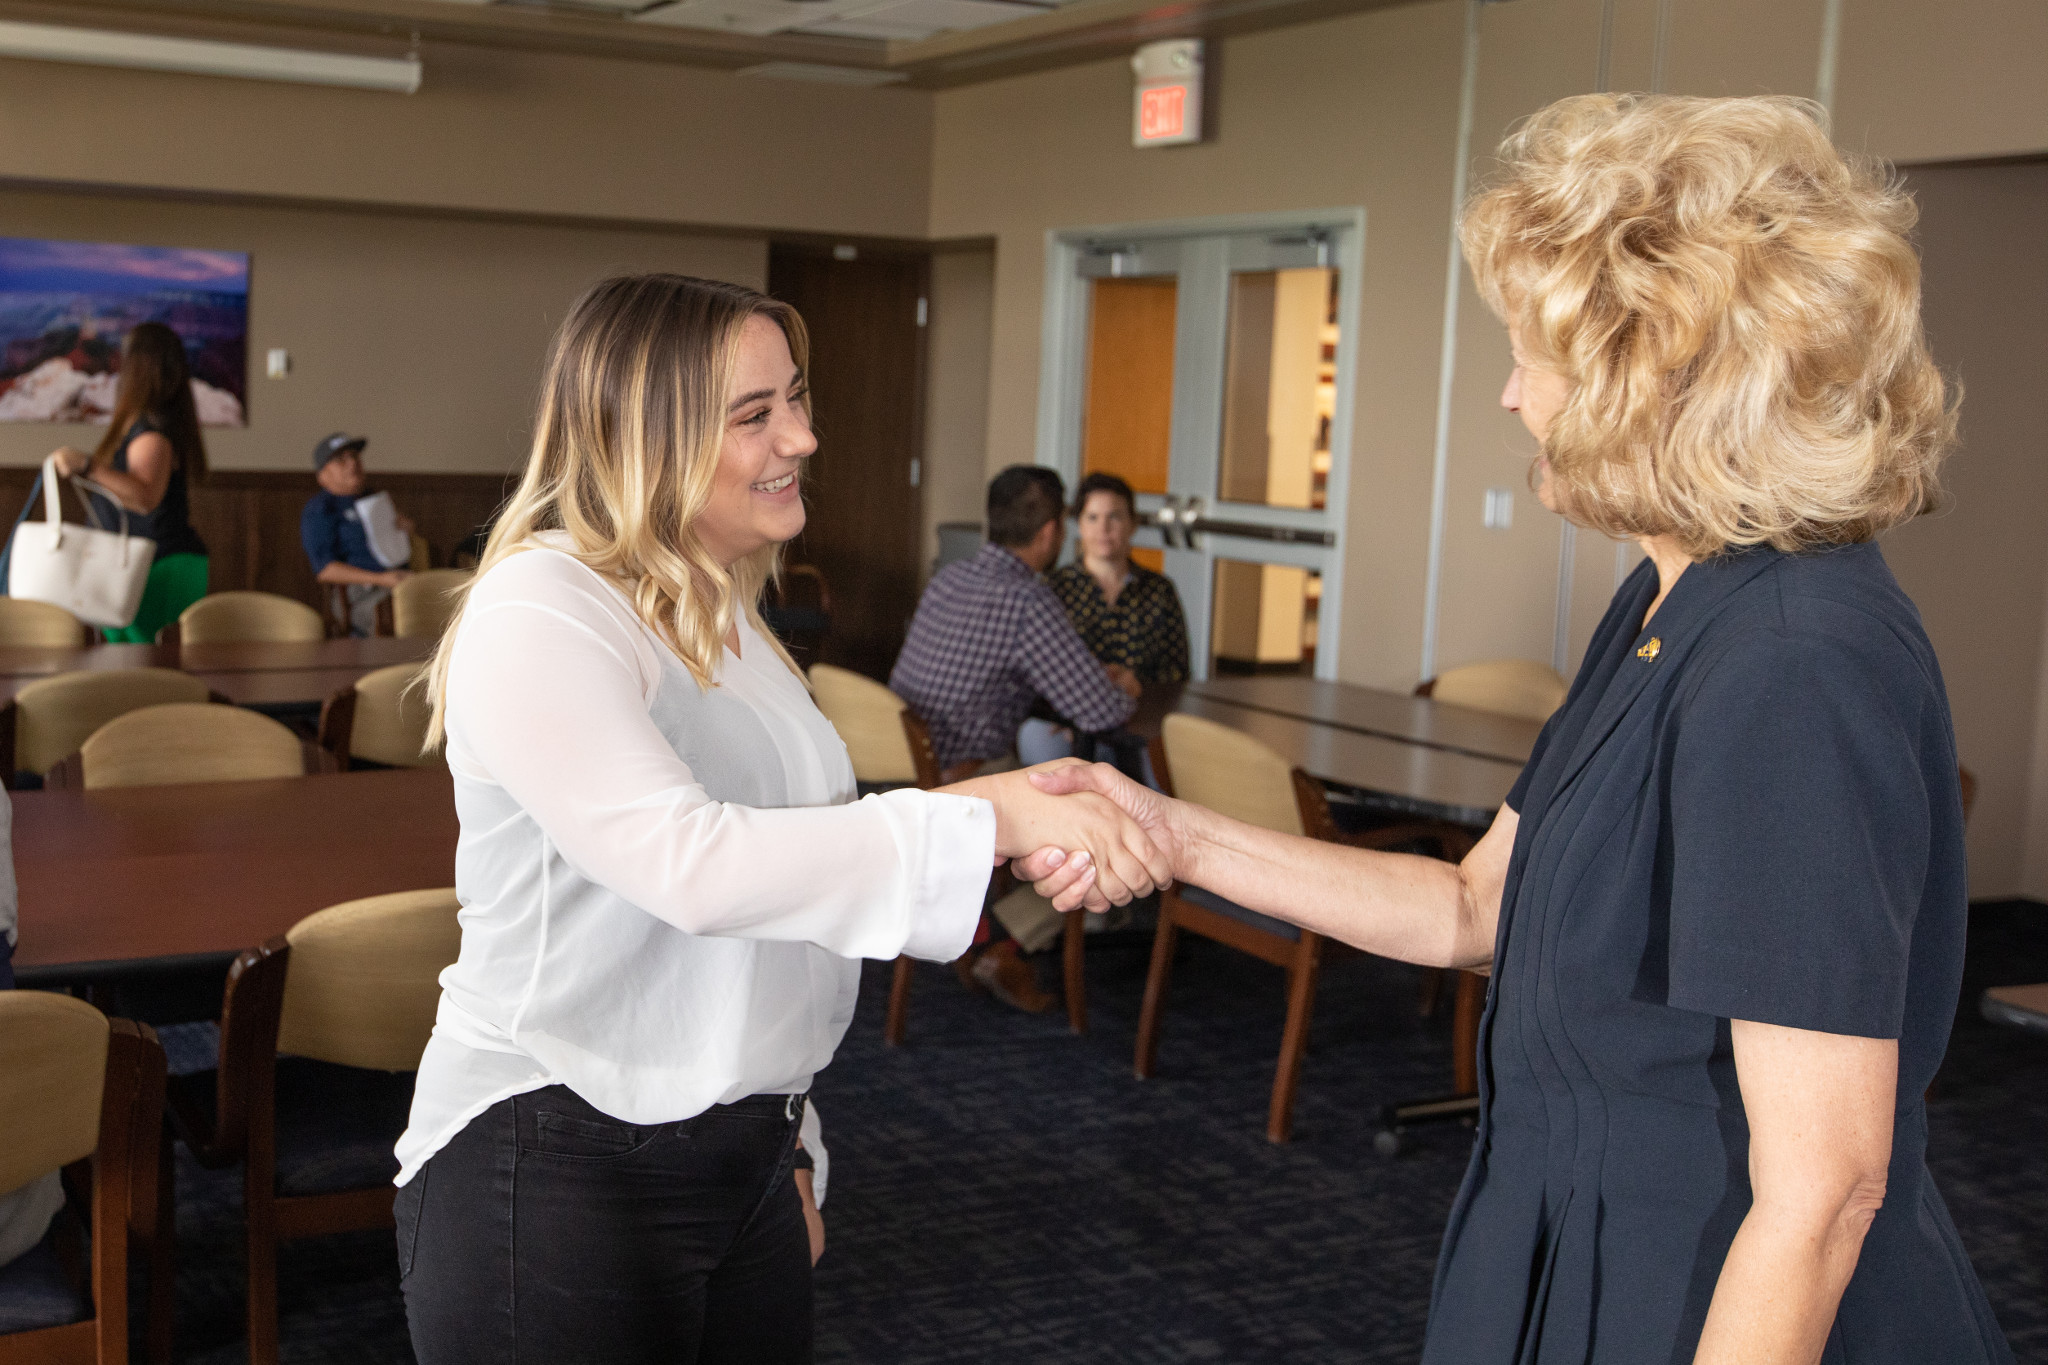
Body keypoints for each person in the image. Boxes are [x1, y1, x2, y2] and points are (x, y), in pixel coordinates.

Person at [1022, 95, 2013, 1364]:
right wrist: (1169, 834)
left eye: (1531, 355)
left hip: (1718, 1298)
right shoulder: (1670, 596)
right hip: (1572, 1241)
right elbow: (1471, 908)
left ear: (1655, 380)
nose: (1506, 395)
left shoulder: (1792, 662)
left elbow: (1821, 1198)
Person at [394, 274, 1163, 1365]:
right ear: (640, 436)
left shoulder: (720, 604)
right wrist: (981, 816)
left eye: (793, 399)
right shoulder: (542, 606)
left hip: (740, 1151)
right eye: (754, 415)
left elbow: (782, 891)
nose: (801, 435)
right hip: (554, 1154)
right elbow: (692, 867)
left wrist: (789, 1139)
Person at [890, 465, 1142, 1005]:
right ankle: (1001, 941)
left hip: (901, 770)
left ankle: (979, 932)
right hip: (965, 779)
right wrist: (1124, 685)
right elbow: (1100, 713)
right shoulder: (1027, 599)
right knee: (1098, 832)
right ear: (1052, 531)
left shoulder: (950, 578)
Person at [48, 322, 209, 642]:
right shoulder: (152, 424)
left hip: (153, 568)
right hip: (142, 566)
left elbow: (145, 496)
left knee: (145, 676)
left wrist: (87, 465)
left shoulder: (151, 431)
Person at [1025, 471, 1189, 770]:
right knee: (1060, 766)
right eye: (1092, 517)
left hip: (1141, 720)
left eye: (1114, 517)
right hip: (1062, 718)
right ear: (1079, 524)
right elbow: (1032, 671)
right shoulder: (1052, 588)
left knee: (1162, 782)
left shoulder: (1159, 590)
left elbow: (1177, 672)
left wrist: (1134, 681)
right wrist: (1068, 712)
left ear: (1133, 524)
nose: (1103, 528)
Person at [300, 433, 414, 636]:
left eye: (354, 457)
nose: (352, 463)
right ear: (323, 475)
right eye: (340, 460)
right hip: (360, 593)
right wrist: (381, 578)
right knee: (397, 612)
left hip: (403, 580)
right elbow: (325, 570)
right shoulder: (320, 510)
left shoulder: (374, 499)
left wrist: (405, 529)